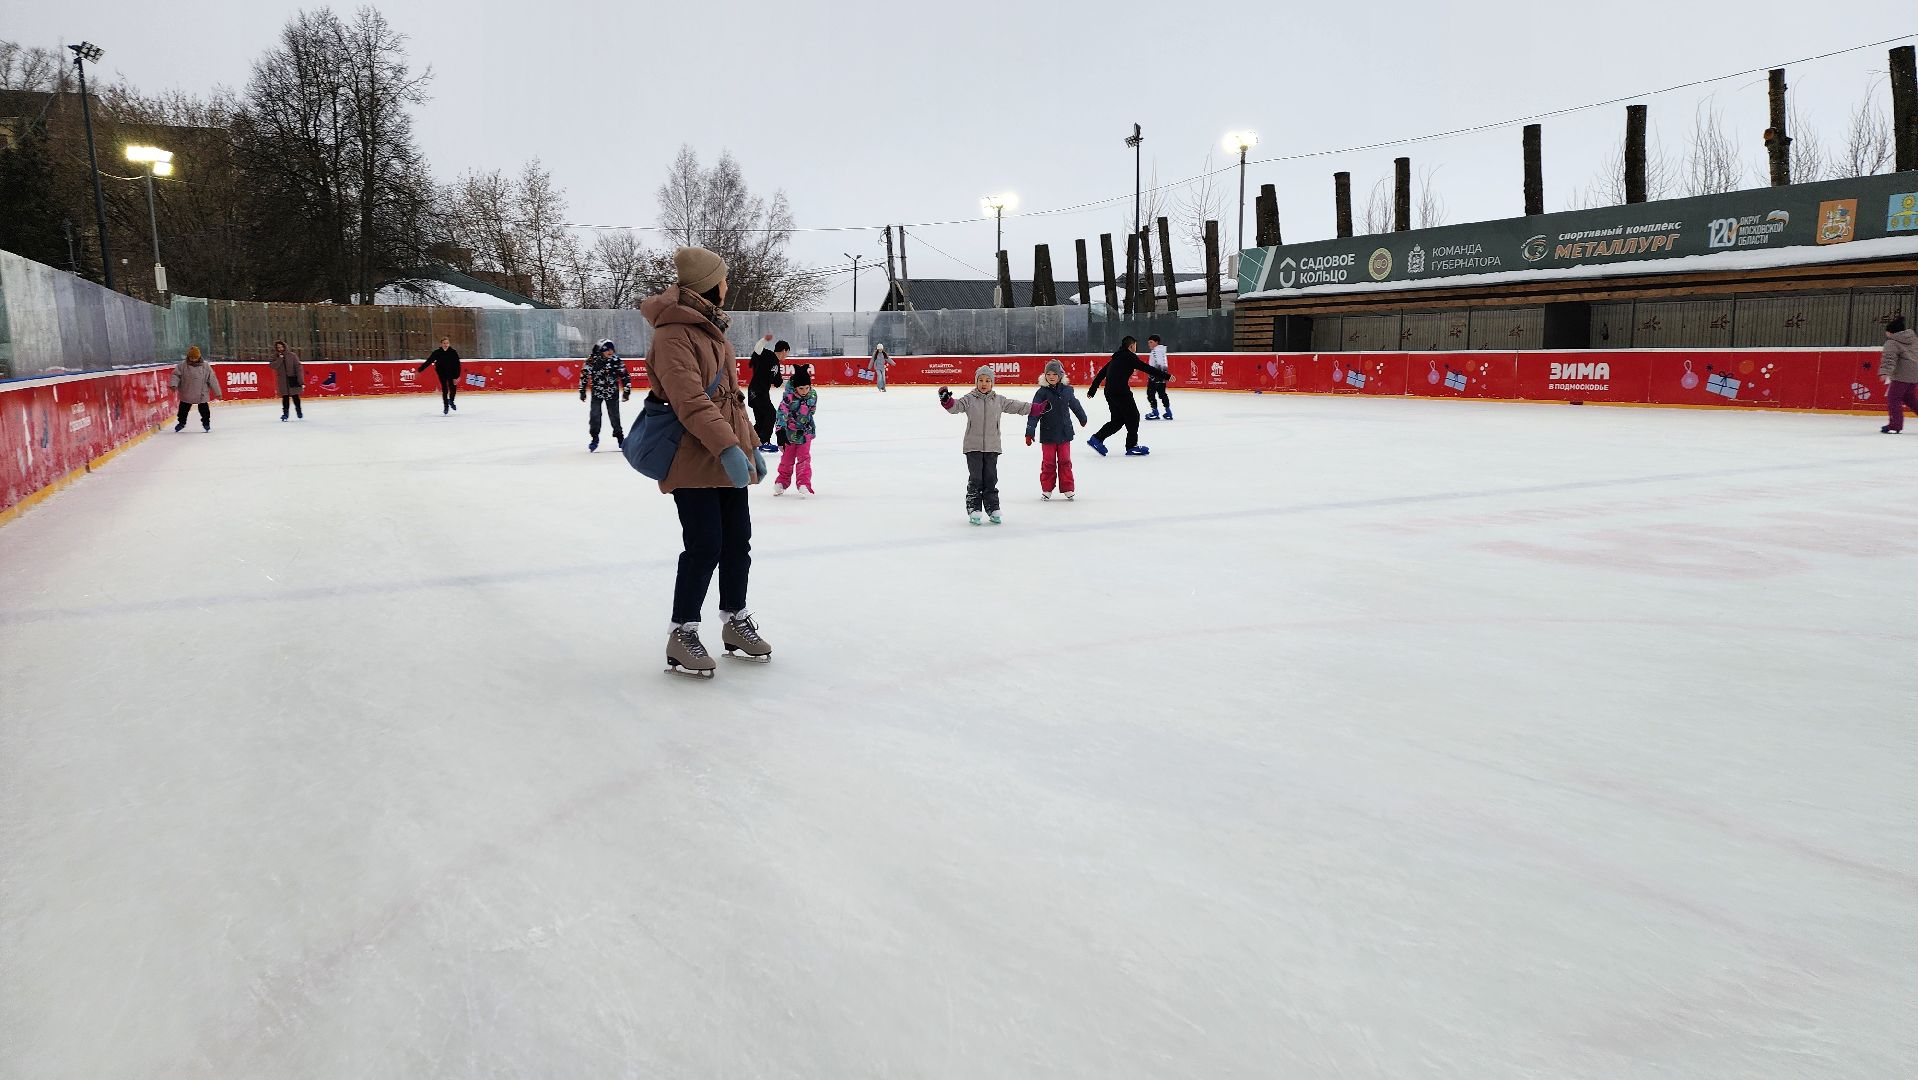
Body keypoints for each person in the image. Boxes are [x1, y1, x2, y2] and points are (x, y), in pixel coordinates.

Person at [639, 246, 772, 678]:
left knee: (737, 542)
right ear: (710, 284)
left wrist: (750, 445)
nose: (727, 285)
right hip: (692, 458)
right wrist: (730, 448)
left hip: (725, 451)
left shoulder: (715, 332)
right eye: (724, 278)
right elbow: (690, 401)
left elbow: (733, 401)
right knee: (705, 545)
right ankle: (682, 632)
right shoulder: (672, 336)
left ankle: (735, 619)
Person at [938, 365, 1046, 525]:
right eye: (981, 380)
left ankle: (993, 508)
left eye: (987, 380)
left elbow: (1016, 406)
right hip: (973, 446)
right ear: (976, 382)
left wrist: (1036, 408)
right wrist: (946, 400)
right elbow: (955, 407)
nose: (984, 383)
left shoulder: (999, 400)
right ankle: (974, 509)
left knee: (990, 479)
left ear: (992, 383)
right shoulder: (969, 399)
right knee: (976, 479)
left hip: (992, 446)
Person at [1086, 336, 1164, 457]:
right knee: (1133, 416)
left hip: (1109, 392)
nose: (1136, 348)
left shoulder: (1116, 357)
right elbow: (1146, 368)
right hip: (1120, 392)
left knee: (1118, 420)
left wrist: (1092, 390)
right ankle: (1131, 446)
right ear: (1131, 346)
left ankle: (1096, 439)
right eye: (1135, 345)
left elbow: (1101, 373)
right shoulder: (1129, 356)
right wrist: (1166, 376)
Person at [1027, 359, 1088, 500]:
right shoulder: (1041, 393)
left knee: (1065, 461)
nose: (1051, 377)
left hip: (1064, 433)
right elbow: (1034, 412)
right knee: (1048, 463)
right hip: (1048, 433)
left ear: (1060, 375)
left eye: (1054, 374)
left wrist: (1082, 417)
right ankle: (1047, 489)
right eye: (1048, 374)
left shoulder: (1067, 390)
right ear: (1045, 375)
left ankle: (1068, 488)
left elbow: (1075, 405)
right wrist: (1030, 431)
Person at [772, 364, 819, 496]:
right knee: (787, 459)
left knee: (804, 458)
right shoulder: (789, 397)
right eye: (801, 388)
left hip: (806, 432)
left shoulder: (813, 395)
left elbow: (812, 411)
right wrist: (780, 431)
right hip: (789, 433)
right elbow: (781, 413)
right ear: (795, 387)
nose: (804, 391)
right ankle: (782, 482)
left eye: (807, 388)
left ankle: (804, 483)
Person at [579, 339, 632, 452]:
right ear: (601, 350)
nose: (610, 352)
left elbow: (625, 375)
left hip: (612, 392)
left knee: (614, 416)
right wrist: (582, 390)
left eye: (612, 349)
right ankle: (594, 437)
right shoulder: (592, 360)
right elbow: (584, 375)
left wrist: (627, 391)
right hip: (597, 392)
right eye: (607, 349)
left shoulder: (616, 360)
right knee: (595, 415)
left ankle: (620, 438)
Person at [1880, 315, 1917, 434]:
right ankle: (1895, 424)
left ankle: (1895, 425)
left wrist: (1885, 372)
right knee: (1908, 398)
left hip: (1902, 375)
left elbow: (1889, 358)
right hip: (1915, 374)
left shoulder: (1892, 342)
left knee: (1893, 398)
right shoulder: (1913, 340)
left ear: (1891, 332)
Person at [171, 345, 220, 432]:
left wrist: (218, 393)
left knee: (204, 410)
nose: (193, 359)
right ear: (188, 357)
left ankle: (206, 423)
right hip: (187, 391)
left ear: (199, 357)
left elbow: (212, 379)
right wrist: (174, 385)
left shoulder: (205, 366)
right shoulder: (182, 366)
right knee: (183, 410)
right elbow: (175, 375)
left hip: (202, 393)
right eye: (191, 357)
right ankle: (181, 422)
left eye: (195, 357)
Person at [747, 333, 783, 452]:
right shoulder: (768, 355)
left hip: (761, 392)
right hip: (756, 391)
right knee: (771, 413)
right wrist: (764, 340)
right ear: (784, 351)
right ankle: (764, 442)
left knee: (761, 420)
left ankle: (749, 440)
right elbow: (758, 349)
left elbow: (778, 382)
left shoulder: (777, 365)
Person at [419, 336, 462, 414]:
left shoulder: (453, 352)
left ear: (449, 344)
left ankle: (451, 401)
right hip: (442, 374)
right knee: (445, 389)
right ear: (441, 344)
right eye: (444, 343)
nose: (446, 345)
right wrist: (420, 369)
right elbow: (429, 361)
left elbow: (457, 364)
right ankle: (446, 406)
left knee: (453, 388)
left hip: (452, 373)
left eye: (447, 343)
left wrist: (457, 376)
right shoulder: (437, 352)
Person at [271, 339, 305, 421]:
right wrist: (280, 359)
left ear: (284, 347)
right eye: (278, 347)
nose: (280, 349)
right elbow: (273, 366)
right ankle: (285, 414)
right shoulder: (275, 357)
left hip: (293, 379)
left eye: (281, 347)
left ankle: (299, 411)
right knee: (285, 397)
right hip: (282, 381)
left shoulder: (292, 355)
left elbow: (298, 367)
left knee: (295, 396)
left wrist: (300, 380)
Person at [1143, 334, 1172, 420]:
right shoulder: (1162, 351)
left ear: (1156, 342)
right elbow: (1164, 364)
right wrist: (1164, 375)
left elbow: (1159, 364)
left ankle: (1155, 412)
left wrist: (1155, 375)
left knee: (1150, 394)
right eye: (1148, 342)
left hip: (1155, 375)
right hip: (1162, 375)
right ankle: (1168, 411)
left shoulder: (1156, 351)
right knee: (1162, 394)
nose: (1149, 344)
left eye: (1151, 342)